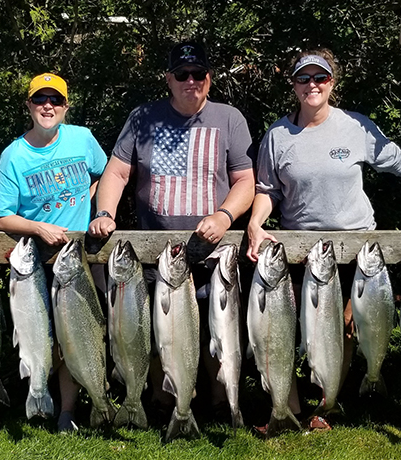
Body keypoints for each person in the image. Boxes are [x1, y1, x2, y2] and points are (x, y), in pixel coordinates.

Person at [246, 48, 401, 428]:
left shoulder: (357, 127)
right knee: (283, 329)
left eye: (320, 78)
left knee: (342, 329)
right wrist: (255, 223)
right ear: (293, 85)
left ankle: (326, 405)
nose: (312, 85)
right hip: (296, 251)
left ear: (332, 82)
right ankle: (288, 407)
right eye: (303, 78)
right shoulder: (278, 135)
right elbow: (266, 190)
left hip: (355, 252)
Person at [88, 41, 255, 420]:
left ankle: (221, 405)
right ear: (169, 79)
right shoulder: (143, 117)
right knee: (159, 335)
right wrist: (104, 212)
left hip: (213, 254)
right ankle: (163, 405)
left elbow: (246, 181)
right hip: (157, 255)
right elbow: (116, 172)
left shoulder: (229, 119)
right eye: (182, 74)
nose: (190, 81)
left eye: (198, 74)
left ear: (209, 78)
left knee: (218, 336)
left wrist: (226, 215)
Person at [0, 72, 108, 432]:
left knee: (80, 334)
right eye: (40, 99)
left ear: (66, 106)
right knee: (44, 336)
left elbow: (106, 173)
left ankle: (68, 411)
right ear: (28, 106)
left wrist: (94, 203)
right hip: (37, 263)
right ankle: (43, 397)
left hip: (80, 257)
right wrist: (38, 227)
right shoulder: (14, 155)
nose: (48, 106)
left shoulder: (82, 138)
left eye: (55, 99)